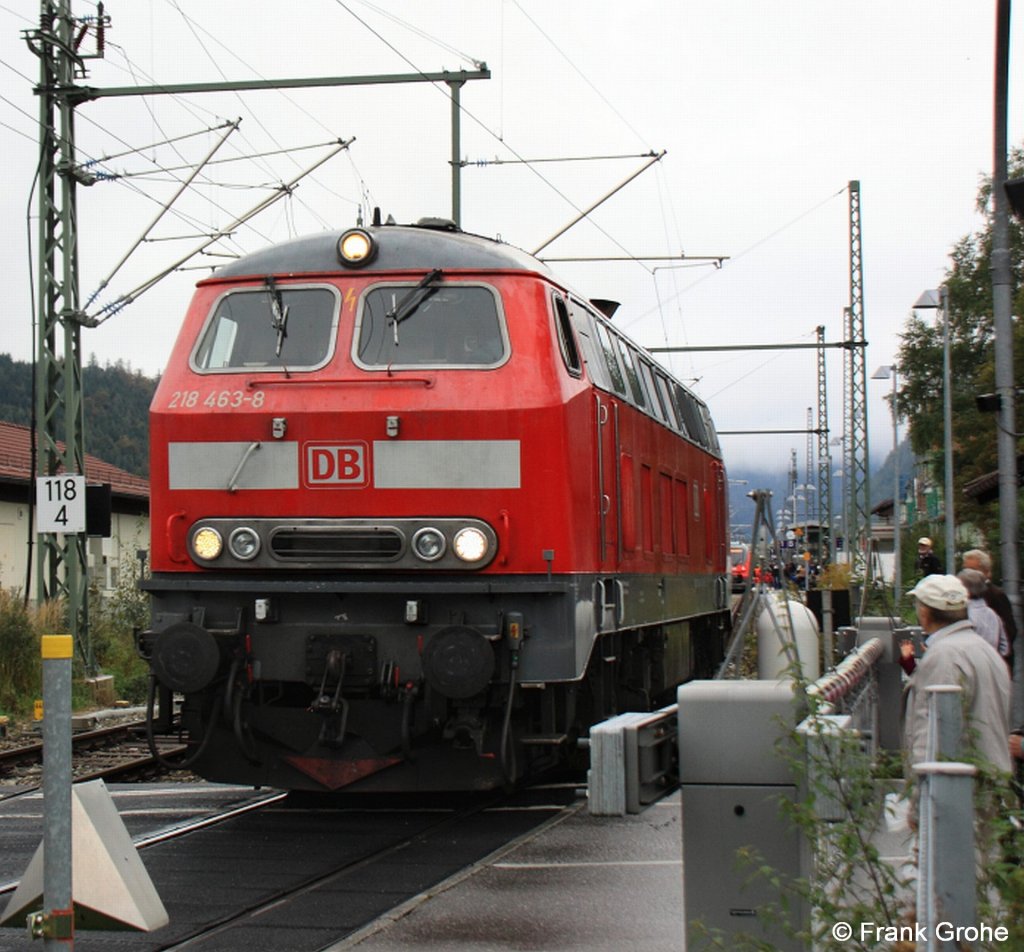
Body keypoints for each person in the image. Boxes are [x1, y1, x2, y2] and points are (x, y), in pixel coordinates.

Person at [903, 574, 1011, 776]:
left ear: (924, 612)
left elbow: (932, 734)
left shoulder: (944, 656)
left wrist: (918, 793)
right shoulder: (986, 651)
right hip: (992, 779)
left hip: (958, 790)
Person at [962, 547, 1017, 675]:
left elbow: (1009, 630)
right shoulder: (967, 594)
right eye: (965, 570)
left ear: (986, 572)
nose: (968, 575)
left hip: (994, 664)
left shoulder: (995, 595)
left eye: (973, 570)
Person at [958, 568, 1010, 657]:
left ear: (967, 592)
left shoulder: (965, 615)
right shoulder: (993, 614)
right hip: (991, 663)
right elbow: (1004, 648)